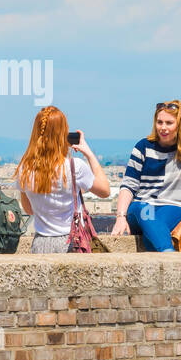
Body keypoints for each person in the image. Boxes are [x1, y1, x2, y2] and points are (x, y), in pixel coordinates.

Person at [111, 100, 181, 252]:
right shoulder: (143, 147)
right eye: (160, 122)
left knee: (152, 231)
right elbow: (128, 185)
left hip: (173, 206)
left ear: (178, 124)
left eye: (169, 123)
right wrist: (120, 217)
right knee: (144, 209)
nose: (163, 127)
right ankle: (169, 257)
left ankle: (164, 258)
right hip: (141, 207)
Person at [15, 106, 111, 253]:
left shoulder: (24, 169)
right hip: (72, 242)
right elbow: (105, 191)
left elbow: (29, 210)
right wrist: (89, 154)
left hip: (40, 244)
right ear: (63, 134)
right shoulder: (74, 167)